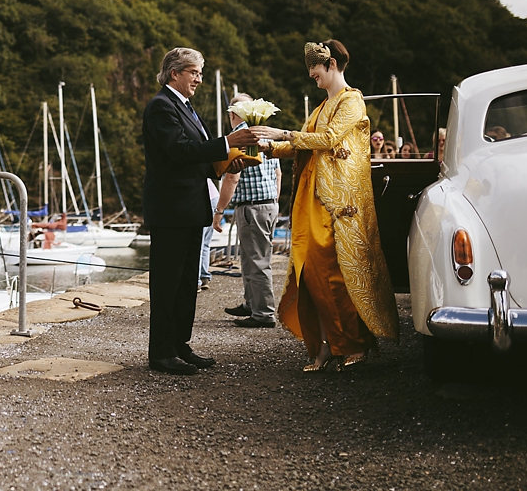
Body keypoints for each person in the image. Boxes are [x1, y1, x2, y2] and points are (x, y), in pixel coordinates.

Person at [251, 40, 398, 372]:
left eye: (314, 70)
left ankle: (353, 343)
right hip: (310, 199)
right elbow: (305, 146)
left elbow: (329, 139)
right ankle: (325, 345)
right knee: (309, 273)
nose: (311, 76)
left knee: (335, 273)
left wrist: (283, 132)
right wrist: (269, 146)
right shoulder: (319, 107)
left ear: (331, 64)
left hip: (336, 206)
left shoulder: (351, 102)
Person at [142, 47, 257, 375]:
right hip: (170, 209)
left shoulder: (187, 108)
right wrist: (226, 142)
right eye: (194, 72)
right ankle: (161, 353)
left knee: (186, 281)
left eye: (201, 73)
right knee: (167, 283)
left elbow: (196, 156)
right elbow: (178, 151)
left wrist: (222, 163)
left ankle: (180, 345)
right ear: (174, 72)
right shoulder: (160, 107)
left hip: (191, 208)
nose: (199, 79)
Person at [215, 94, 282, 329]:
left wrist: (219, 210)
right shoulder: (262, 133)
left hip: (252, 206)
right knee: (250, 259)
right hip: (268, 203)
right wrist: (274, 200)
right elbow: (278, 173)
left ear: (233, 114)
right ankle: (251, 303)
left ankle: (263, 313)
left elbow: (232, 176)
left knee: (256, 260)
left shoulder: (239, 137)